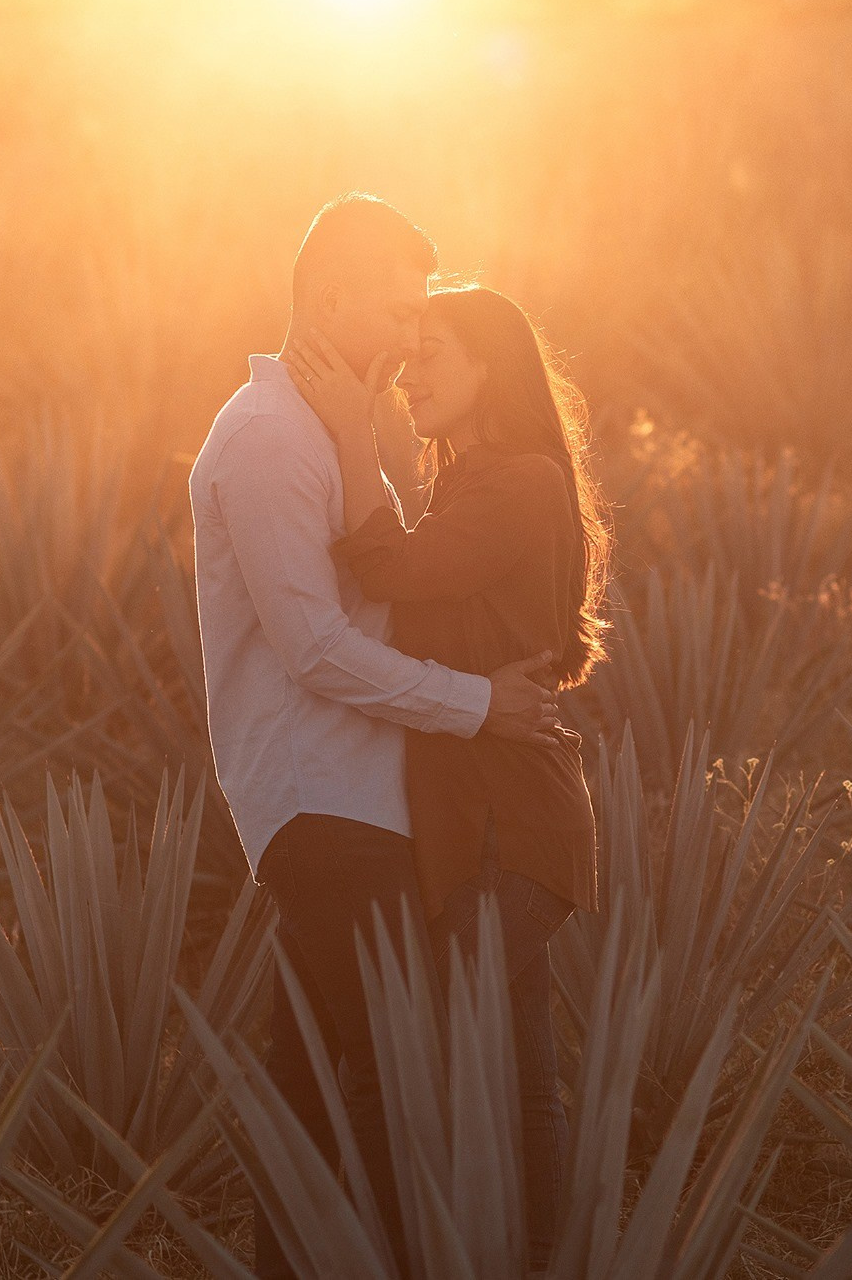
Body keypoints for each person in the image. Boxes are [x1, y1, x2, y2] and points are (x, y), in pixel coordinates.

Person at [189, 194, 568, 1280]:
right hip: (324, 805)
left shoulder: (330, 432)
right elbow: (314, 647)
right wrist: (477, 703)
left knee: (315, 1093)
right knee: (397, 1093)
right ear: (330, 299)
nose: (410, 338)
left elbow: (395, 589)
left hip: (370, 800)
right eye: (398, 312)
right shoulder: (268, 437)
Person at [283, 283, 608, 1275]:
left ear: (489, 368)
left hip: (511, 830)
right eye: (408, 351)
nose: (408, 373)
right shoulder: (470, 484)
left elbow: (390, 572)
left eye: (432, 353)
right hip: (485, 826)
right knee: (520, 1074)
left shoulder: (521, 483)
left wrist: (351, 433)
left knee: (412, 1048)